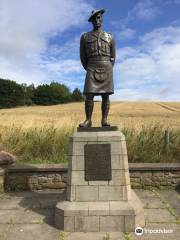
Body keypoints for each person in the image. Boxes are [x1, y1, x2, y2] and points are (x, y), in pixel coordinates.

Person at [79, 9, 116, 127]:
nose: (97, 20)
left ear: (102, 18)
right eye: (95, 18)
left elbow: (113, 56)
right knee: (89, 94)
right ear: (91, 21)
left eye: (99, 17)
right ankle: (88, 120)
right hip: (91, 66)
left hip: (106, 66)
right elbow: (83, 57)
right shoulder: (85, 37)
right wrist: (89, 66)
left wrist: (108, 66)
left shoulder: (110, 37)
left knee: (106, 95)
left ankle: (104, 120)